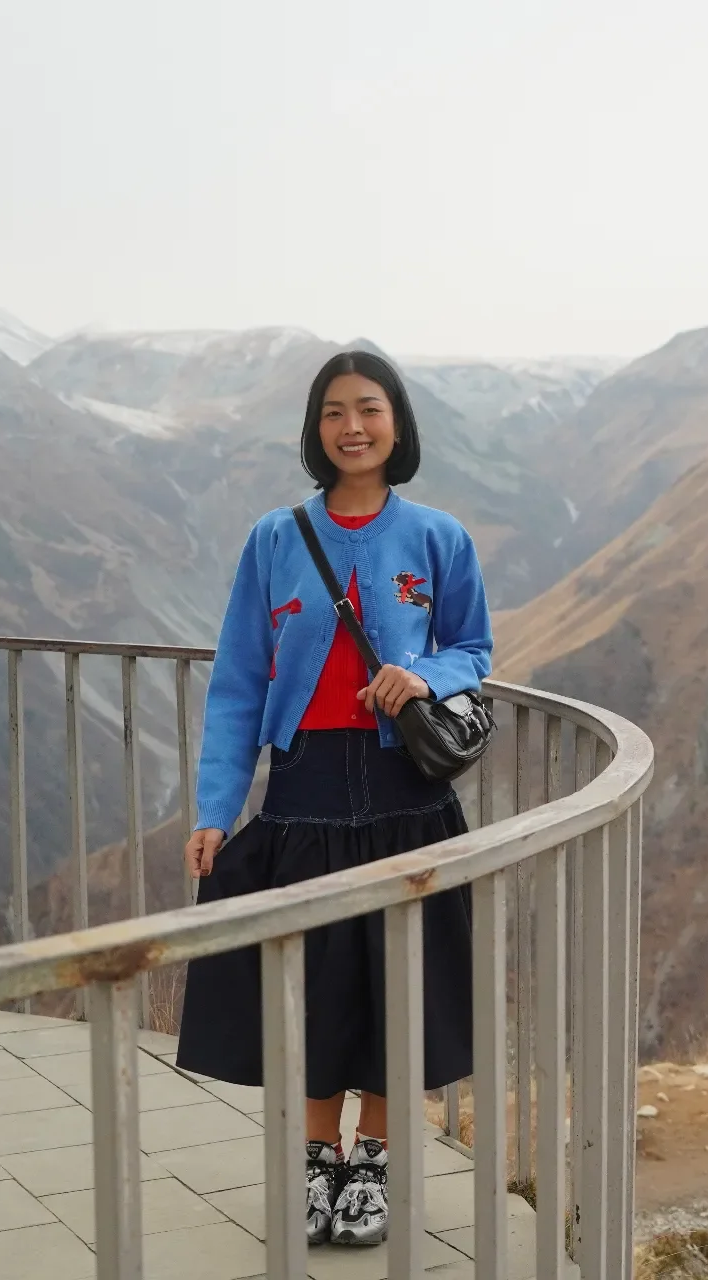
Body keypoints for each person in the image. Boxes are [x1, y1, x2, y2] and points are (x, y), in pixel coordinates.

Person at [175, 349, 491, 1248]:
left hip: (404, 790)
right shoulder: (275, 539)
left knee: (399, 981)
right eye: (333, 413)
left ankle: (375, 1169)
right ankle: (319, 1165)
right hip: (302, 788)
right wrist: (214, 807)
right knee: (312, 985)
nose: (352, 426)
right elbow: (239, 679)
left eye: (369, 408)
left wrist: (419, 675)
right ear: (316, 432)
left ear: (398, 424)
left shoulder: (439, 537)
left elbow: (474, 649)